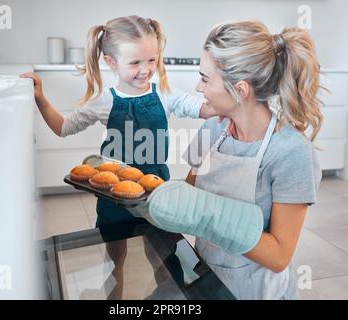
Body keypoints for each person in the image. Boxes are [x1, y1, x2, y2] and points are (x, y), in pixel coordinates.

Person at [21, 15, 215, 299]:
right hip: (113, 198)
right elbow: (63, 127)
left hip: (155, 196)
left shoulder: (164, 92)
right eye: (135, 62)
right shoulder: (103, 101)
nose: (145, 70)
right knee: (115, 260)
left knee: (163, 257)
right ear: (111, 62)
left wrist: (224, 101)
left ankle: (168, 298)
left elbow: (198, 107)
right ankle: (115, 299)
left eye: (151, 60)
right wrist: (39, 97)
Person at [132, 20, 323, 300]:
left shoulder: (291, 152)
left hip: (256, 293)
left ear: (240, 90)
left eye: (205, 79)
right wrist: (146, 197)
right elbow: (189, 200)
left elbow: (279, 255)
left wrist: (209, 215)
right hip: (205, 280)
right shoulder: (213, 130)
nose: (199, 87)